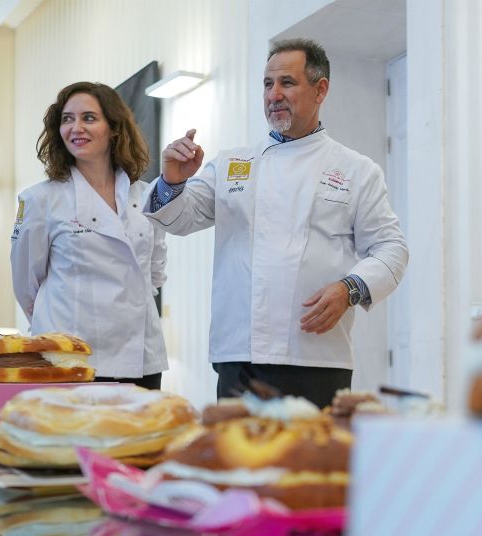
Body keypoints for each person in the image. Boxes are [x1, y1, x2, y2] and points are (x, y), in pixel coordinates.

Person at [147, 38, 408, 406]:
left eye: (287, 82)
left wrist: (349, 289)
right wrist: (172, 180)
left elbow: (391, 249)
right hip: (239, 354)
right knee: (236, 445)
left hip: (315, 355)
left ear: (320, 90)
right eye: (268, 84)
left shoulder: (356, 170)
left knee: (313, 445)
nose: (274, 95)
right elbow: (178, 219)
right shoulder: (232, 164)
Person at [11, 82, 168, 389]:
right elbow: (26, 285)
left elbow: (155, 273)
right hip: (70, 358)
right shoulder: (40, 200)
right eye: (67, 119)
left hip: (140, 356)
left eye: (89, 118)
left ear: (114, 128)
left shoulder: (147, 194)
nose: (76, 127)